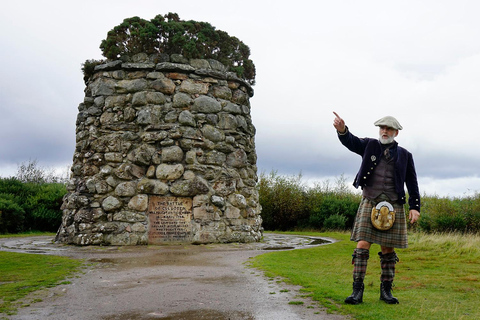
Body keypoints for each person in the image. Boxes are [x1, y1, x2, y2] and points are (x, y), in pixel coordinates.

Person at [332, 111, 420, 305]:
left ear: (396, 132)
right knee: (362, 245)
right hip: (370, 201)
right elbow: (352, 142)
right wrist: (342, 131)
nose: (384, 131)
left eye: (388, 128)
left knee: (388, 249)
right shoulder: (370, 145)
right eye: (382, 128)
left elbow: (412, 184)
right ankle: (357, 291)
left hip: (394, 204)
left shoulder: (405, 155)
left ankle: (386, 291)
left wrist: (415, 207)